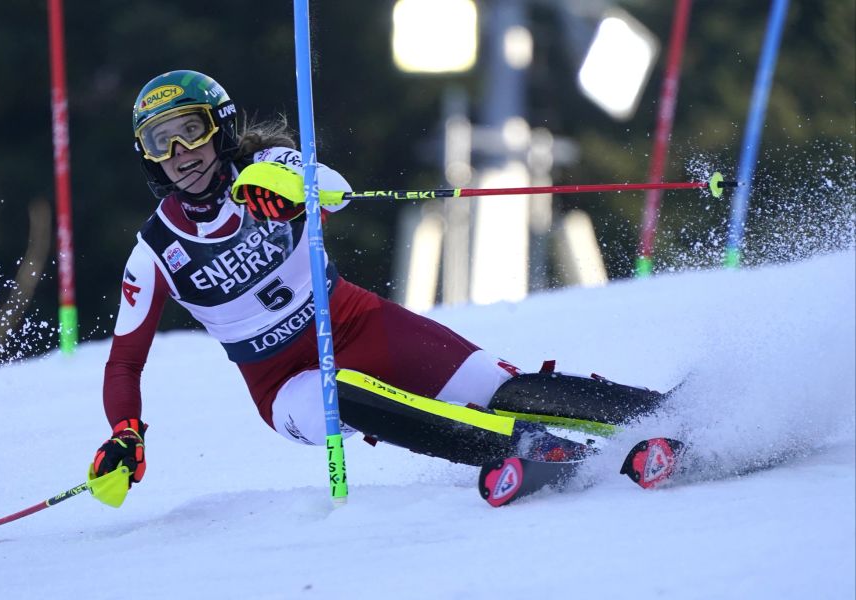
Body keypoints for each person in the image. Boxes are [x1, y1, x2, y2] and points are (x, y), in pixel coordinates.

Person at [92, 70, 669, 488]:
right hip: (282, 385)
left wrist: (295, 195)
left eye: (189, 131)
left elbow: (334, 189)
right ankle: (534, 451)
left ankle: (663, 414)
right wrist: (126, 432)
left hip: (357, 321)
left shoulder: (266, 170)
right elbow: (124, 362)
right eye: (158, 143)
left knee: (494, 386)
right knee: (341, 392)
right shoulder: (156, 252)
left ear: (217, 129)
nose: (178, 154)